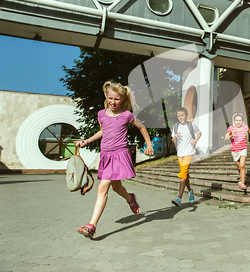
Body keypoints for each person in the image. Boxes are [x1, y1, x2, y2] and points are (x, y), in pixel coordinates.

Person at [76, 81, 154, 240]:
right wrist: (87, 141)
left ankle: (92, 226)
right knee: (116, 187)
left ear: (123, 100)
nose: (113, 102)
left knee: (102, 187)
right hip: (106, 154)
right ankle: (130, 198)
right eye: (110, 98)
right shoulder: (101, 114)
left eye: (117, 99)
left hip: (119, 155)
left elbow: (142, 128)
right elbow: (102, 132)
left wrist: (149, 144)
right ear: (106, 97)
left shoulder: (127, 115)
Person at [171, 107, 202, 207]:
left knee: (183, 174)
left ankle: (179, 198)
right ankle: (190, 191)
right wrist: (174, 137)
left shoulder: (191, 125)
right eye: (178, 116)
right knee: (185, 175)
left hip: (189, 152)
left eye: (182, 115)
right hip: (180, 154)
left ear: (186, 115)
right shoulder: (176, 126)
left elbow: (199, 133)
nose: (180, 117)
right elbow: (172, 141)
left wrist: (195, 140)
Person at [225, 113, 250, 189]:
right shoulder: (231, 128)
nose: (238, 122)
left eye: (240, 120)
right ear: (234, 121)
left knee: (242, 165)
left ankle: (243, 183)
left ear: (242, 121)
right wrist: (231, 135)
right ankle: (242, 177)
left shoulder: (245, 127)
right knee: (239, 168)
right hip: (234, 150)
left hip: (243, 149)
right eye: (236, 120)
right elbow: (226, 138)